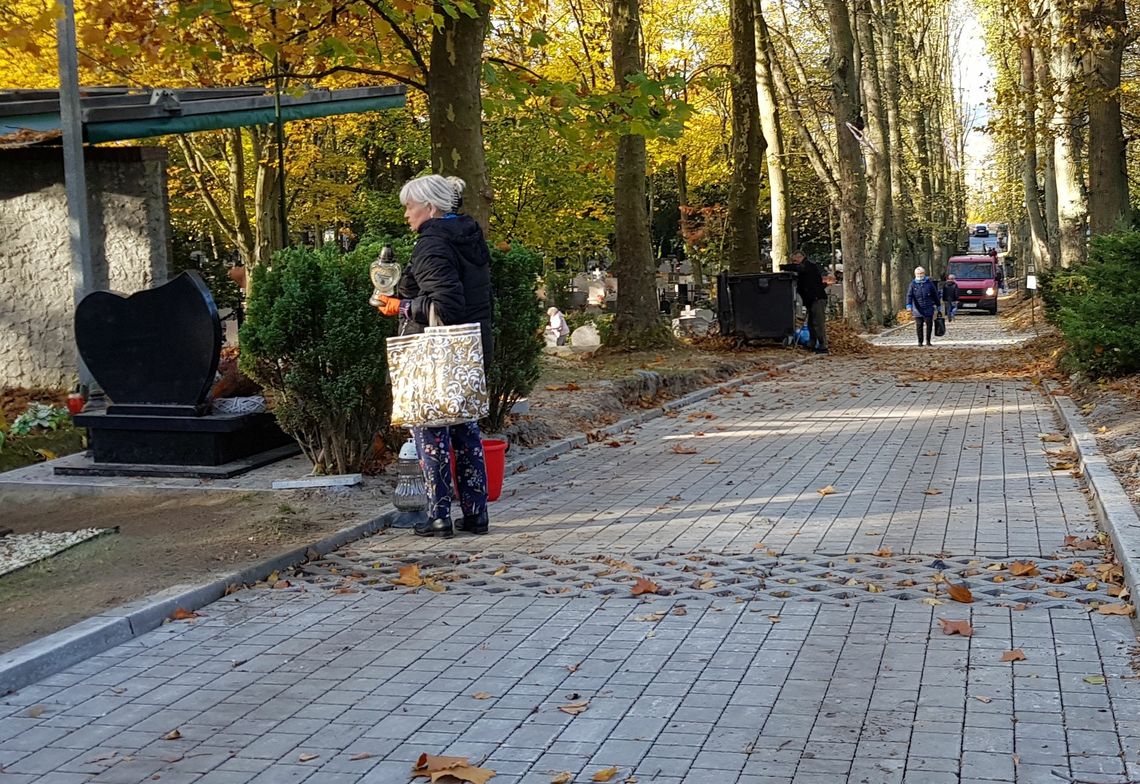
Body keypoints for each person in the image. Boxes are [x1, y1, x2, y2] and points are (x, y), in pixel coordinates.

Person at [374, 174, 493, 538]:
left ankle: (438, 514)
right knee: (465, 429)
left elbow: (447, 305)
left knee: (430, 431)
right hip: (468, 350)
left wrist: (400, 306)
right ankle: (475, 512)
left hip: (433, 355)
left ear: (430, 207)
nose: (406, 214)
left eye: (410, 206)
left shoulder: (432, 244)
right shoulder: (468, 236)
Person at [783, 250, 829, 354]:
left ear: (800, 257)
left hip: (817, 298)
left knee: (818, 323)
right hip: (811, 299)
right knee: (811, 324)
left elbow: (800, 269)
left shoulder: (808, 266)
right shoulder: (804, 270)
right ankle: (811, 343)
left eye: (795, 260)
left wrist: (784, 267)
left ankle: (823, 345)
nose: (794, 263)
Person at [906, 266, 941, 346]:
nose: (920, 275)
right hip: (917, 308)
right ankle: (920, 341)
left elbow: (935, 294)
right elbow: (909, 295)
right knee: (919, 325)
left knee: (929, 324)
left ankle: (928, 341)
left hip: (928, 307)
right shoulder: (913, 284)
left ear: (924, 274)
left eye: (921, 273)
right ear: (915, 274)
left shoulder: (929, 283)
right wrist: (909, 305)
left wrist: (938, 305)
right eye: (918, 273)